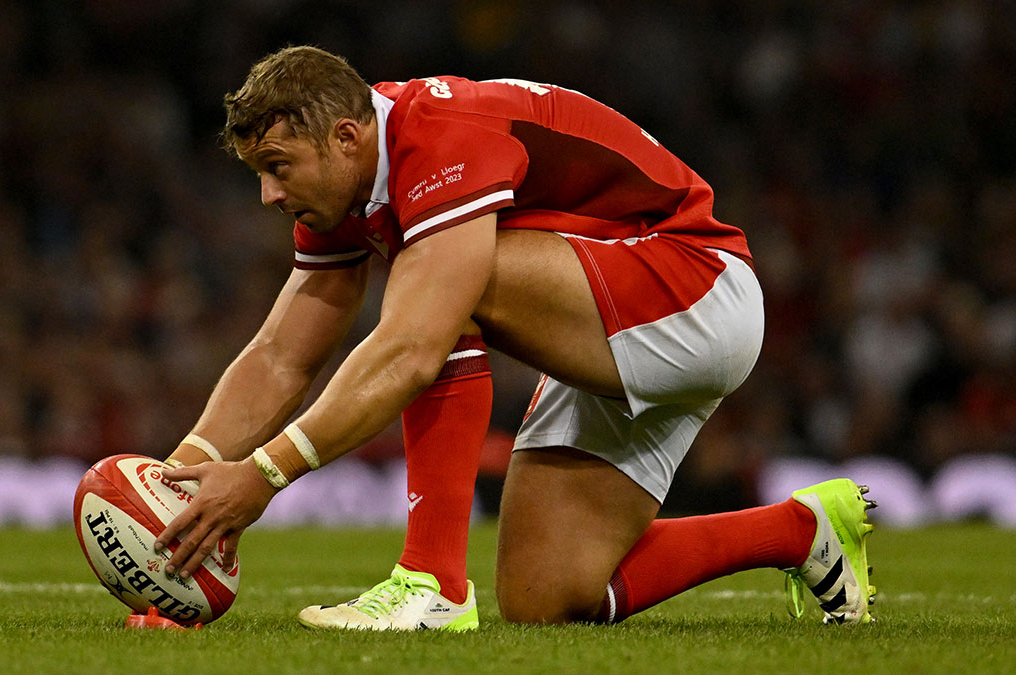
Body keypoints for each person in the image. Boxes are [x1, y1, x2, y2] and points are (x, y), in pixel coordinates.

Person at [152, 45, 877, 630]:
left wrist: (263, 474)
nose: (269, 196)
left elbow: (410, 349)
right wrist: (175, 486)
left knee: (439, 294)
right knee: (544, 595)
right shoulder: (347, 187)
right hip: (612, 316)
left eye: (277, 168)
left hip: (696, 285)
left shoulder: (438, 136)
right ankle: (799, 529)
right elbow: (282, 354)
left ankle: (430, 580)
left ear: (346, 136)